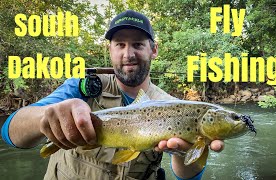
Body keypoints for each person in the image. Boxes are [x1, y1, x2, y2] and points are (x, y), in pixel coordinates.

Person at [1, 10, 224, 179]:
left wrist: (182, 153)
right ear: (110, 50)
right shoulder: (81, 88)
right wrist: (45, 119)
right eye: (120, 45)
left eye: (137, 44)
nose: (128, 54)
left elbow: (189, 177)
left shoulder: (173, 106)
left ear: (153, 50)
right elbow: (10, 133)